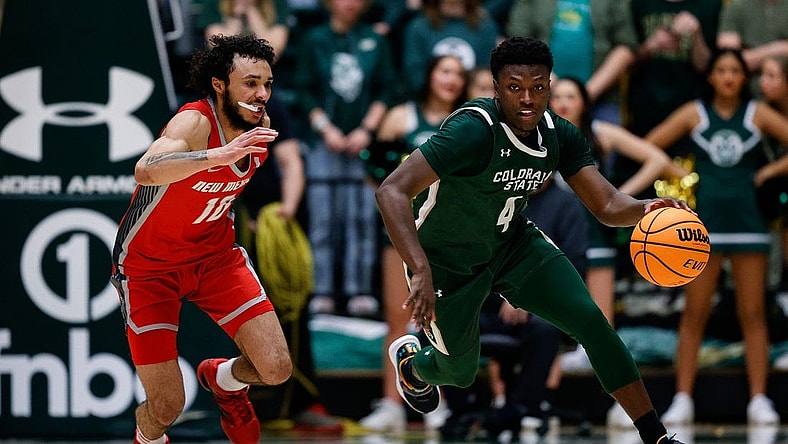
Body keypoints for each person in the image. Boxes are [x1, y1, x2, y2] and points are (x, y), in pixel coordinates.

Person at [375, 36, 690, 444]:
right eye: (514, 87)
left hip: (512, 244)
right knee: (460, 371)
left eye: (538, 87)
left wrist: (646, 208)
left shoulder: (560, 135)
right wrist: (419, 269)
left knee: (592, 323)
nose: (527, 98)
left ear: (549, 86)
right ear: (495, 87)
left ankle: (657, 437)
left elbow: (608, 204)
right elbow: (391, 191)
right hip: (444, 261)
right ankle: (413, 366)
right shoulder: (472, 131)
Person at [110, 34, 293, 444]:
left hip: (215, 259)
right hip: (148, 268)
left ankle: (224, 380)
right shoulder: (194, 122)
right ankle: (147, 439)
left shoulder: (259, 127)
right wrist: (215, 157)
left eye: (267, 84)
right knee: (166, 407)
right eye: (250, 83)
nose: (261, 93)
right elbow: (146, 169)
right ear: (219, 84)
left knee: (276, 368)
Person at [645, 47, 788, 426]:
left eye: (735, 70)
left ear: (745, 78)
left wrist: (770, 172)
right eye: (721, 69)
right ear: (711, 76)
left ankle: (758, 399)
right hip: (700, 228)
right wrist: (675, 170)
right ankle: (682, 399)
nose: (728, 76)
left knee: (754, 314)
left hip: (748, 224)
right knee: (694, 313)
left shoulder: (757, 114)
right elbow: (651, 142)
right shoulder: (696, 113)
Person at [547, 76, 690, 428]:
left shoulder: (600, 134)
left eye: (572, 96)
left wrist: (617, 196)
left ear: (584, 102)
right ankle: (541, 402)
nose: (564, 102)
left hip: (595, 236)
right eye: (558, 96)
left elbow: (656, 158)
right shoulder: (539, 135)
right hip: (551, 238)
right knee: (546, 324)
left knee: (600, 333)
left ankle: (620, 407)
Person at [358, 54, 468, 433]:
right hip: (404, 233)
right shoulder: (401, 117)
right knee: (397, 316)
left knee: (443, 317)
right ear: (430, 75)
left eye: (458, 74)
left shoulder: (470, 120)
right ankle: (391, 403)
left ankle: (437, 401)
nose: (451, 79)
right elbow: (374, 167)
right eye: (444, 71)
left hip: (449, 236)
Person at [293, 0, 397, 317]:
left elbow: (386, 90)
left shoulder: (374, 40)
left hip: (364, 143)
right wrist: (326, 128)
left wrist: (367, 129)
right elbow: (304, 90)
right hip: (324, 142)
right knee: (324, 220)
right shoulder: (315, 40)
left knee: (362, 219)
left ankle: (359, 290)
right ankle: (322, 290)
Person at [506, 0, 638, 125]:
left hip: (601, 99)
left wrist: (585, 94)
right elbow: (515, 42)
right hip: (537, 97)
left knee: (604, 144)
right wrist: (548, 82)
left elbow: (626, 47)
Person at [401, 0, 501, 95]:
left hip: (469, 103)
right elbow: (415, 75)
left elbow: (485, 74)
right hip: (427, 104)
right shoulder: (418, 26)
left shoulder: (486, 27)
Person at [205, 0, 291, 60]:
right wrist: (237, 17)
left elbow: (273, 54)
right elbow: (220, 51)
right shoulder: (215, 3)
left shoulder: (276, 4)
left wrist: (252, 14)